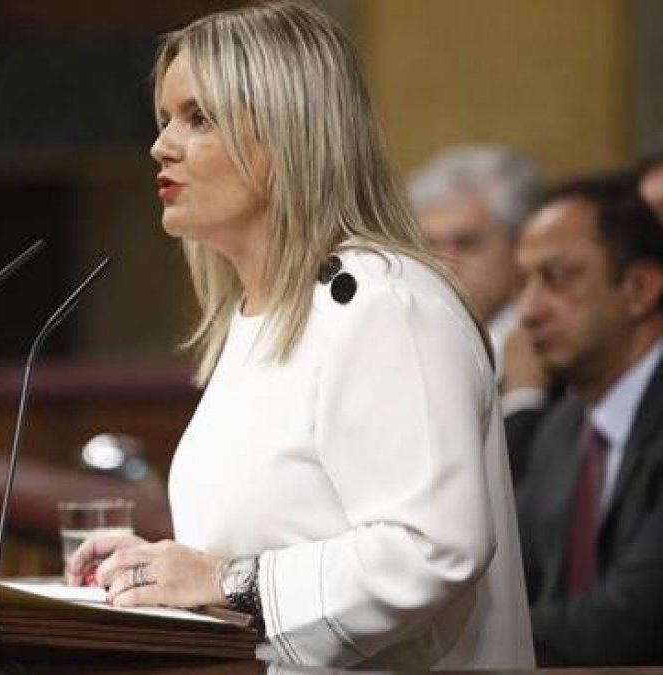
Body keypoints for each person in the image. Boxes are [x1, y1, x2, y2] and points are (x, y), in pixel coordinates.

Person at [64, 2, 533, 669]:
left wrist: (225, 582)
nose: (161, 146)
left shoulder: (381, 303)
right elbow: (282, 529)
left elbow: (433, 546)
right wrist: (160, 570)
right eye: (165, 119)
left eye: (198, 118)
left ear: (289, 132)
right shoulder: (258, 316)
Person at [512, 175, 663, 665]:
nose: (529, 311)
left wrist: (471, 642)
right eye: (524, 283)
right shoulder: (562, 427)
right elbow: (514, 582)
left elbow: (632, 619)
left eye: (558, 278)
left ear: (639, 287)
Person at [407, 145, 542, 379]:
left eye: (467, 243)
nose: (444, 264)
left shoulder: (549, 350)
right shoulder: (407, 344)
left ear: (520, 246)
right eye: (429, 245)